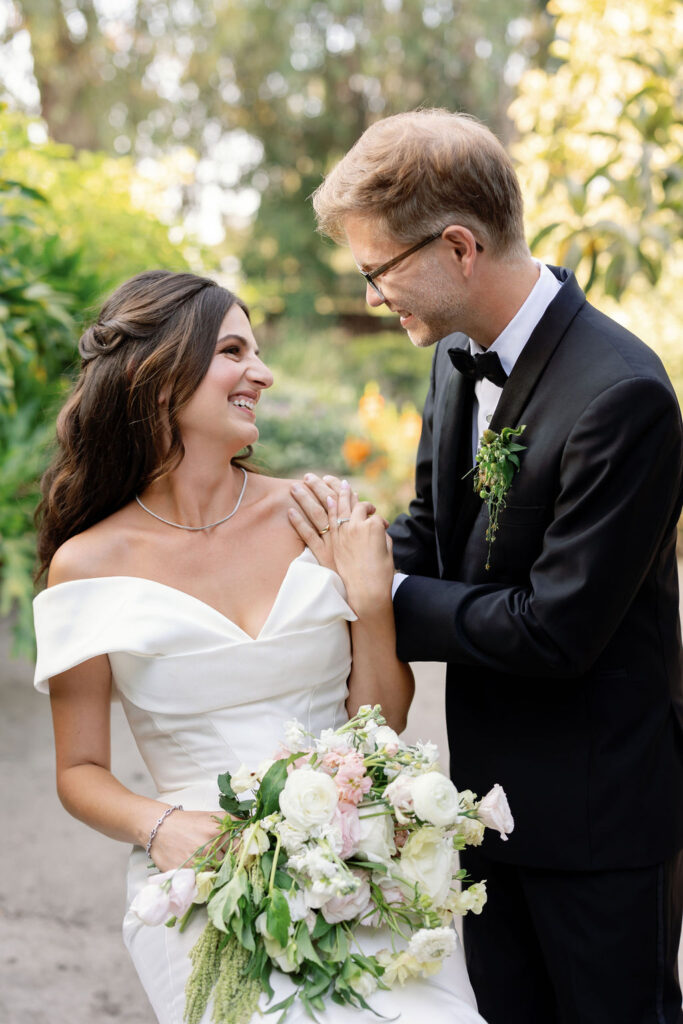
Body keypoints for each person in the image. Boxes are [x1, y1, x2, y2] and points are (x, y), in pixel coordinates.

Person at [290, 109, 683, 1023]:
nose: (375, 294)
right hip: (480, 804)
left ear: (458, 245)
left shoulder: (622, 395)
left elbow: (555, 630)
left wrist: (375, 595)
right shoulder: (453, 353)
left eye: (376, 270)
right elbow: (432, 531)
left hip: (598, 820)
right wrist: (308, 561)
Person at [32, 269, 488, 1024]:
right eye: (234, 351)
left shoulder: (314, 513)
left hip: (359, 862)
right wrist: (162, 827)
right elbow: (79, 772)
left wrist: (372, 602)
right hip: (201, 878)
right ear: (158, 375)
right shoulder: (87, 564)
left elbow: (379, 719)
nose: (262, 373)